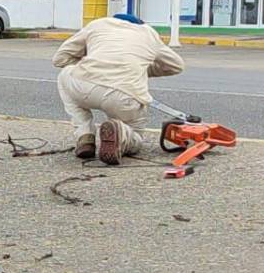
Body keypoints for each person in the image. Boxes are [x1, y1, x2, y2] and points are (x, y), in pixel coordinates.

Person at [52, 13, 185, 165]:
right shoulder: (149, 34)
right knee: (136, 138)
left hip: (84, 86)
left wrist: (89, 61)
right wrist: (141, 69)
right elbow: (176, 66)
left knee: (65, 75)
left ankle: (85, 135)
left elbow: (60, 59)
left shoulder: (97, 24)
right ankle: (123, 134)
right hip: (126, 95)